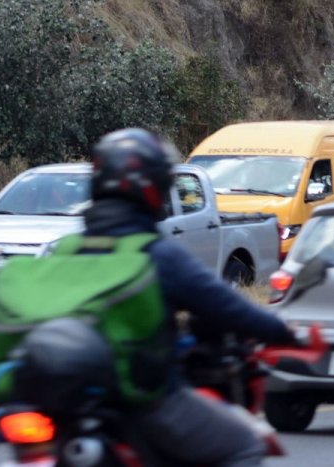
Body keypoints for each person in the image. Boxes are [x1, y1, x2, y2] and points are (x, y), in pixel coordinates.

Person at [84, 127, 295, 466]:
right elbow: (227, 306)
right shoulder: (156, 254)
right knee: (245, 445)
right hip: (141, 398)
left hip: (69, 403)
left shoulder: (70, 251)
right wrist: (286, 332)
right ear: (153, 188)